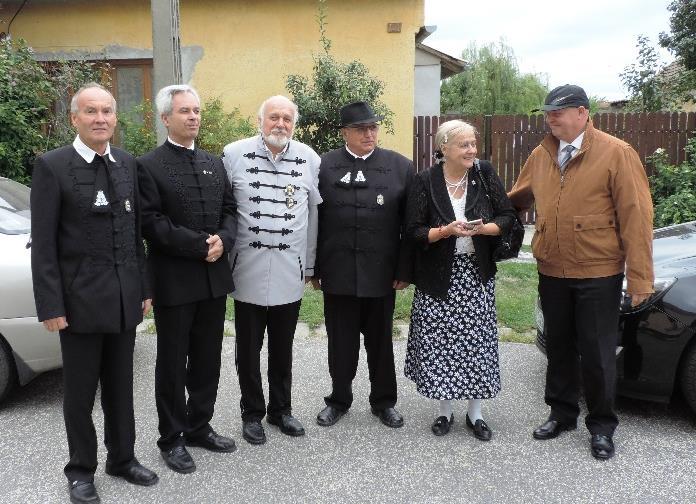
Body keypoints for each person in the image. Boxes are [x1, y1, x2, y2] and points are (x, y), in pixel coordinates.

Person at [508, 84, 654, 460]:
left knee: (597, 352)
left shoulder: (616, 153)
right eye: (548, 112)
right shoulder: (542, 154)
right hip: (552, 269)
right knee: (558, 346)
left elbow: (636, 217)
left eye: (560, 111)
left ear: (583, 113)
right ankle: (562, 413)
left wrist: (639, 277)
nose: (551, 117)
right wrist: (474, 209)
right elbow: (516, 199)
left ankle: (602, 426)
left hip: (597, 271)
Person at [31, 83, 158, 504]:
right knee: (81, 395)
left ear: (115, 118)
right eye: (91, 112)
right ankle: (80, 469)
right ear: (74, 118)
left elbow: (135, 235)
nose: (100, 118)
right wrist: (51, 305)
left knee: (121, 389)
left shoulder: (126, 163)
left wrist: (143, 288)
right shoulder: (52, 166)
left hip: (123, 301)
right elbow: (44, 245)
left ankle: (122, 458)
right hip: (79, 304)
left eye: (107, 111)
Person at [138, 85, 238, 474]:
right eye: (184, 111)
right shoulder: (148, 165)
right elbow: (152, 223)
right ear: (166, 118)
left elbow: (230, 210)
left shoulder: (214, 162)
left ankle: (199, 425)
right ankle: (172, 436)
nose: (193, 116)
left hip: (213, 277)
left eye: (196, 110)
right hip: (175, 281)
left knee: (207, 358)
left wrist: (224, 241)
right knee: (172, 362)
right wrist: (200, 244)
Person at [403, 120, 516, 441]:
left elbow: (507, 217)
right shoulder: (425, 181)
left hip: (475, 276)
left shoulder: (483, 173)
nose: (471, 150)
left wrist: (483, 229)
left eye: (473, 144)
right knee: (440, 344)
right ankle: (444, 411)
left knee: (476, 345)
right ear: (444, 148)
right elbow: (413, 230)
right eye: (464, 145)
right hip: (439, 276)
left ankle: (475, 413)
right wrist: (444, 232)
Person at [222, 95, 321, 445]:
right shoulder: (233, 154)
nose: (280, 124)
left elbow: (313, 217)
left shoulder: (310, 158)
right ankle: (252, 414)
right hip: (246, 268)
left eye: (287, 119)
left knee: (283, 347)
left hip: (288, 268)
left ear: (294, 124)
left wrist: (309, 265)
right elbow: (224, 210)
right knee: (247, 349)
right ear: (260, 120)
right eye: (273, 118)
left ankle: (281, 410)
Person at [313, 101, 413, 429]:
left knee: (381, 342)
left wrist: (404, 269)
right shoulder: (323, 166)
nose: (369, 134)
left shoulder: (400, 167)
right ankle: (339, 400)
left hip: (382, 273)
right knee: (340, 343)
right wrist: (313, 267)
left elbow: (409, 225)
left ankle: (384, 402)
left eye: (373, 127)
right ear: (344, 132)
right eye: (360, 129)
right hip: (338, 270)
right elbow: (313, 220)